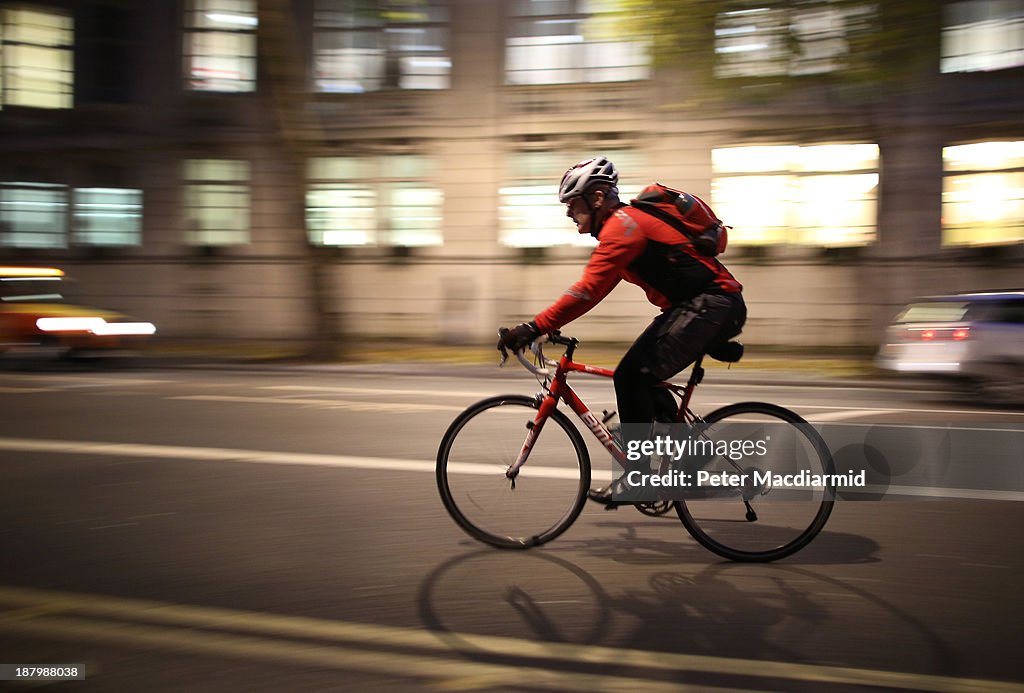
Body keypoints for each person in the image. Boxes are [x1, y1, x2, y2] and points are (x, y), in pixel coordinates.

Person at [497, 155, 747, 506]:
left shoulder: (624, 228)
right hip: (702, 308)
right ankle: (691, 452)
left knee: (631, 376)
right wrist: (545, 326)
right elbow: (591, 293)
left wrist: (534, 326)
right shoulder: (625, 230)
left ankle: (641, 480)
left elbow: (587, 290)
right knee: (641, 374)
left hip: (712, 305)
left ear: (597, 198)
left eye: (573, 204)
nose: (570, 213)